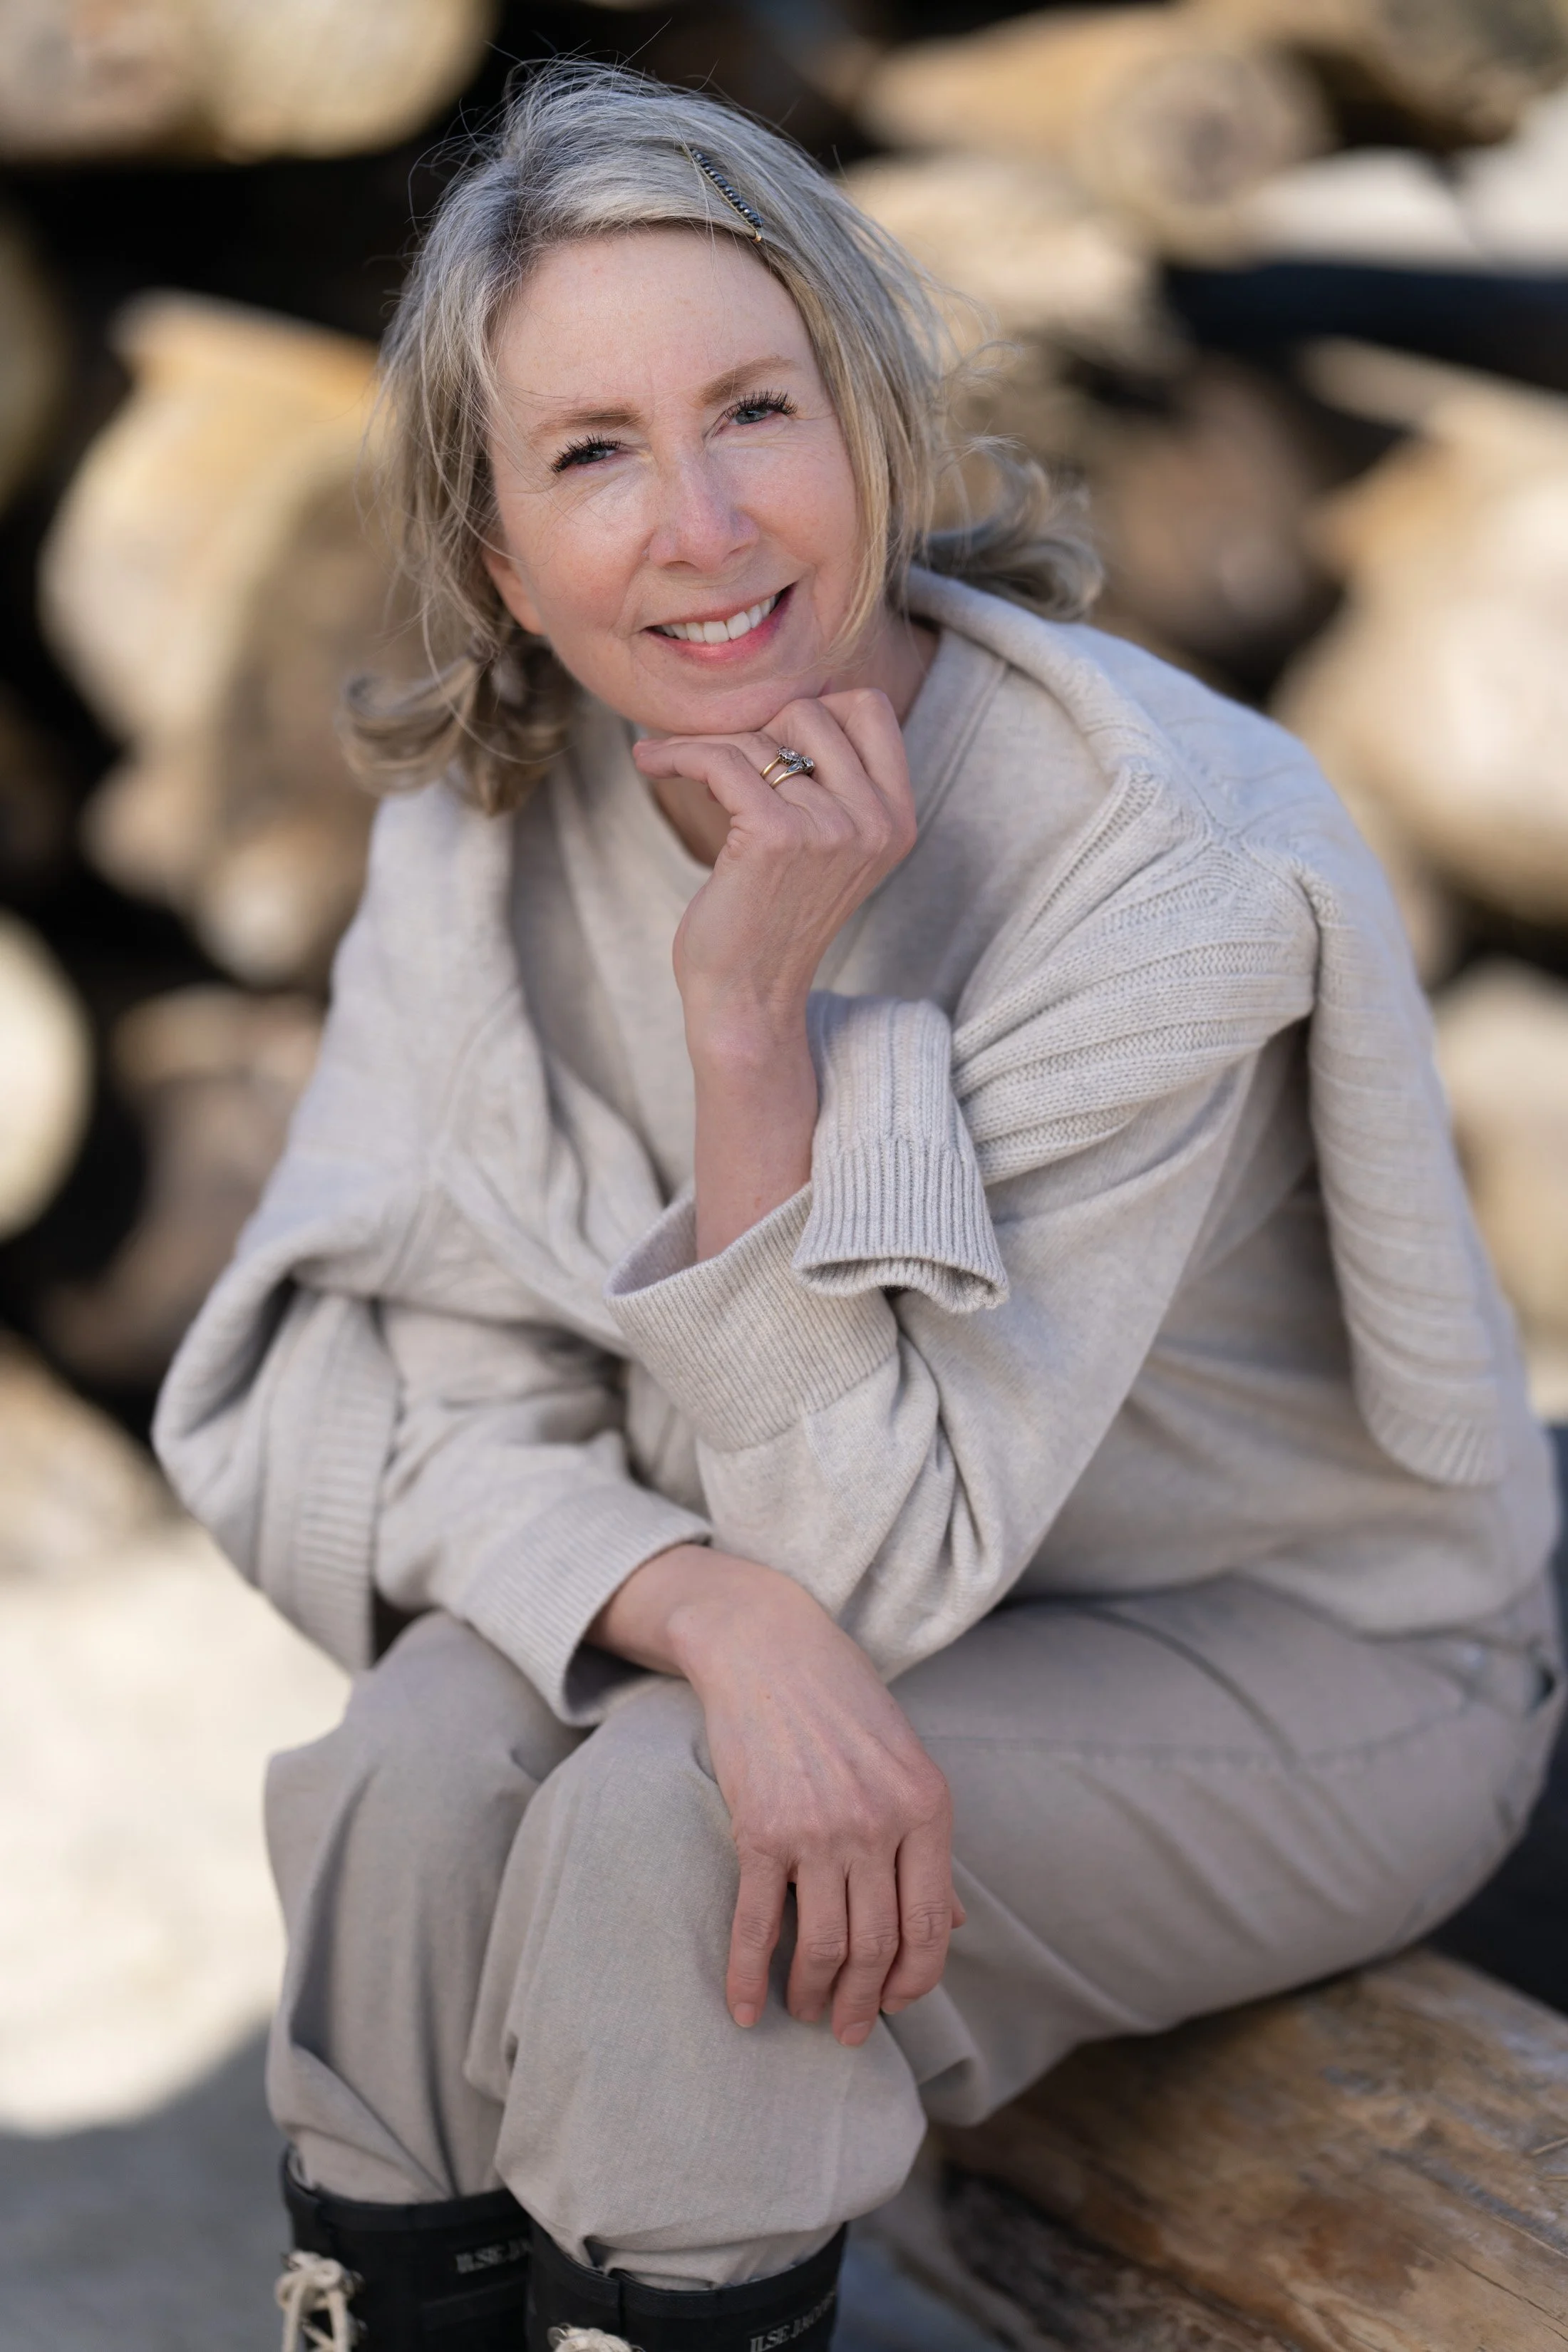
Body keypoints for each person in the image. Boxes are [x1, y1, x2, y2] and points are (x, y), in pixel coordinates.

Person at [155, 61, 1564, 2352]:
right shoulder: (483, 828)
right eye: (591, 454)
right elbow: (333, 1398)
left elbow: (870, 1569)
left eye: (755, 410)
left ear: (877, 430)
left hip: (1301, 1654)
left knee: (677, 1824)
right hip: (787, 1596)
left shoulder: (1166, 862)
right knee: (414, 1761)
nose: (701, 525)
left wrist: (757, 1023)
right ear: (498, 555)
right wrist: (693, 1604)